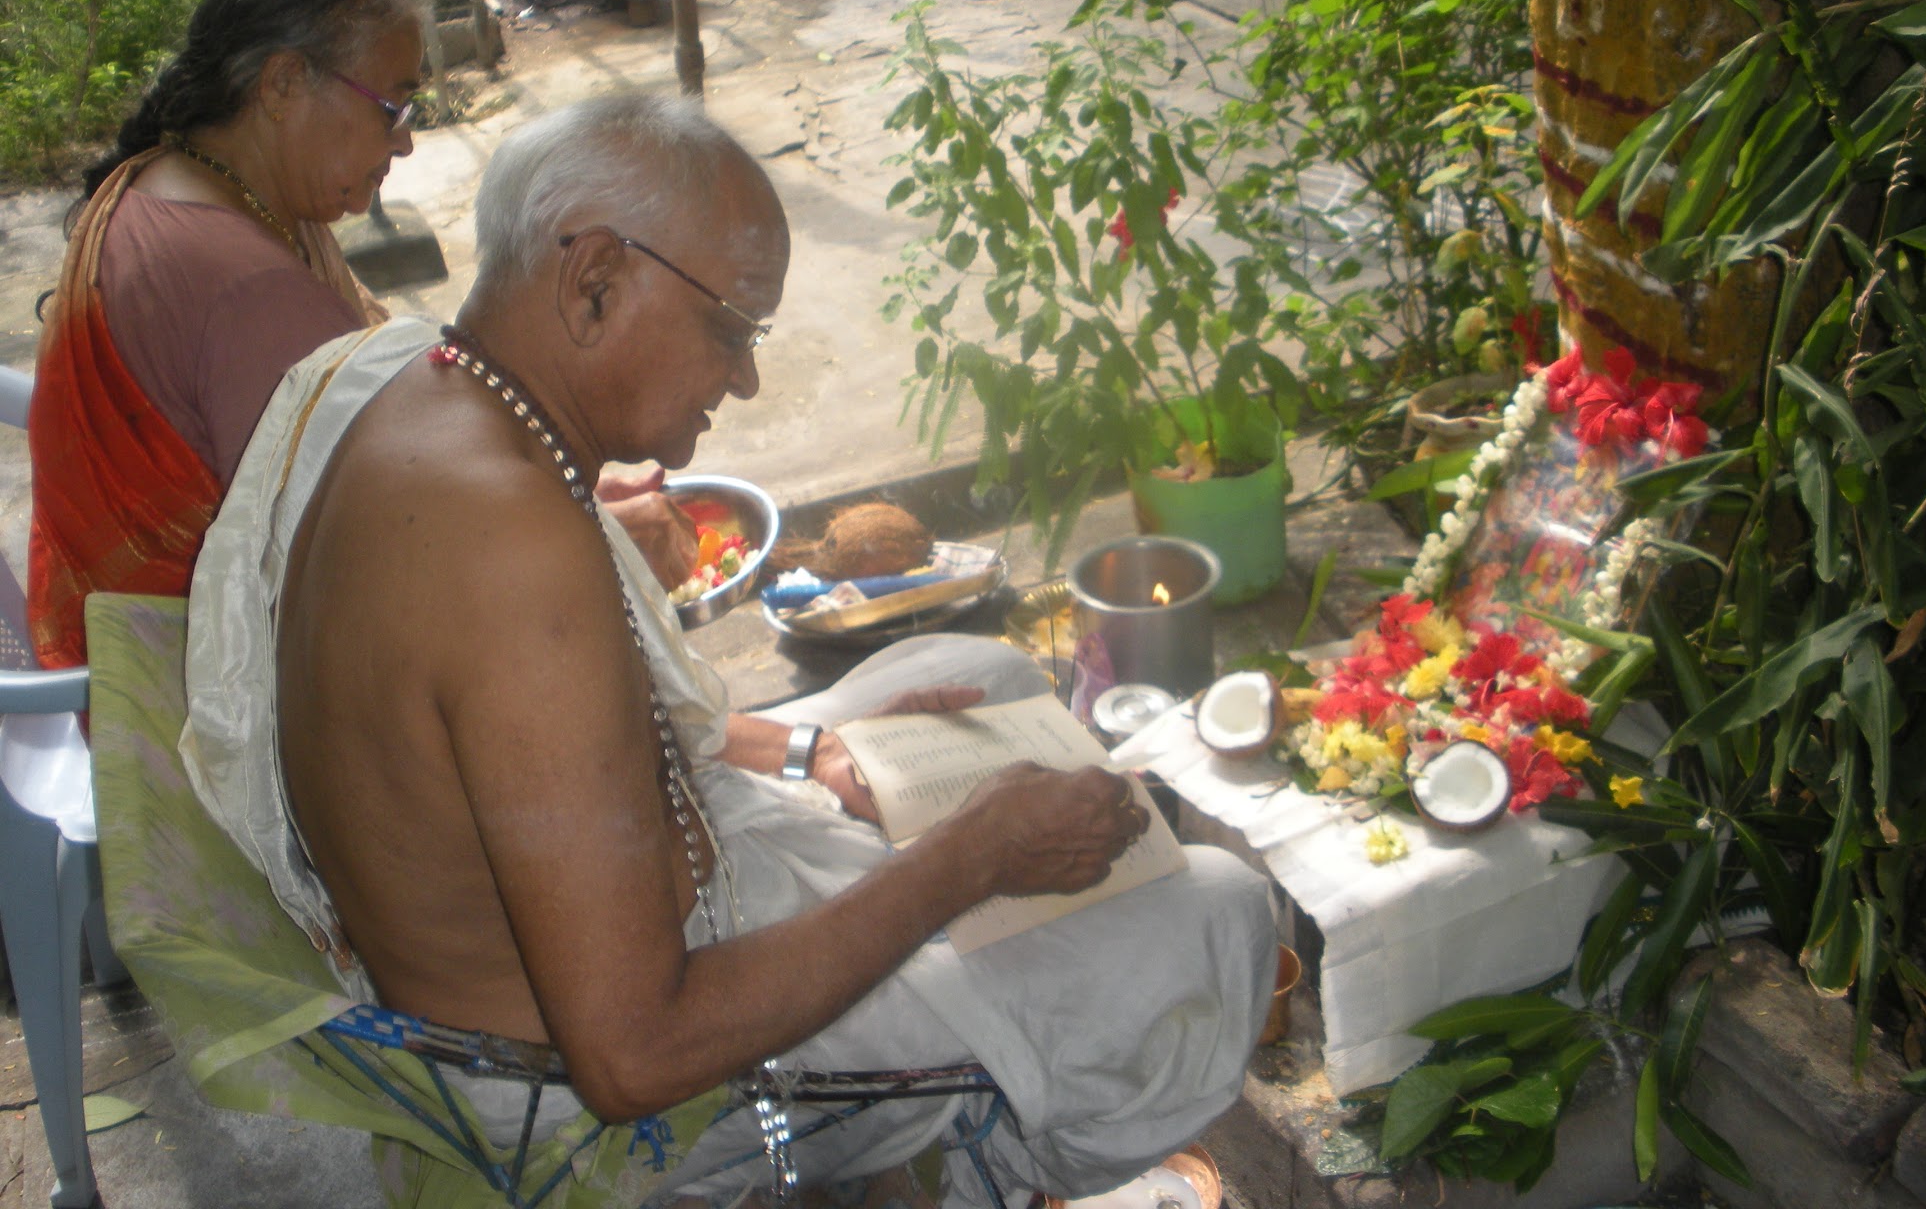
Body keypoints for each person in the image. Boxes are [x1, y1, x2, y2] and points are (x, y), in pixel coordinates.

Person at [181, 93, 1276, 1205]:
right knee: (1221, 912)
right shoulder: (514, 556)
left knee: (985, 679)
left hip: (639, 885)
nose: (745, 377)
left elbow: (567, 745)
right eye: (734, 327)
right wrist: (965, 863)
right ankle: (966, 1157)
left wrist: (812, 752)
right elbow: (634, 1060)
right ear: (594, 279)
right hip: (584, 1082)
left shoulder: (410, 378)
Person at [26, 0, 421, 667]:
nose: (404, 144)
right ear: (282, 84)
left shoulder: (174, 178)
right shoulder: (251, 291)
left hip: (127, 661)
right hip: (201, 696)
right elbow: (375, 564)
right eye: (391, 107)